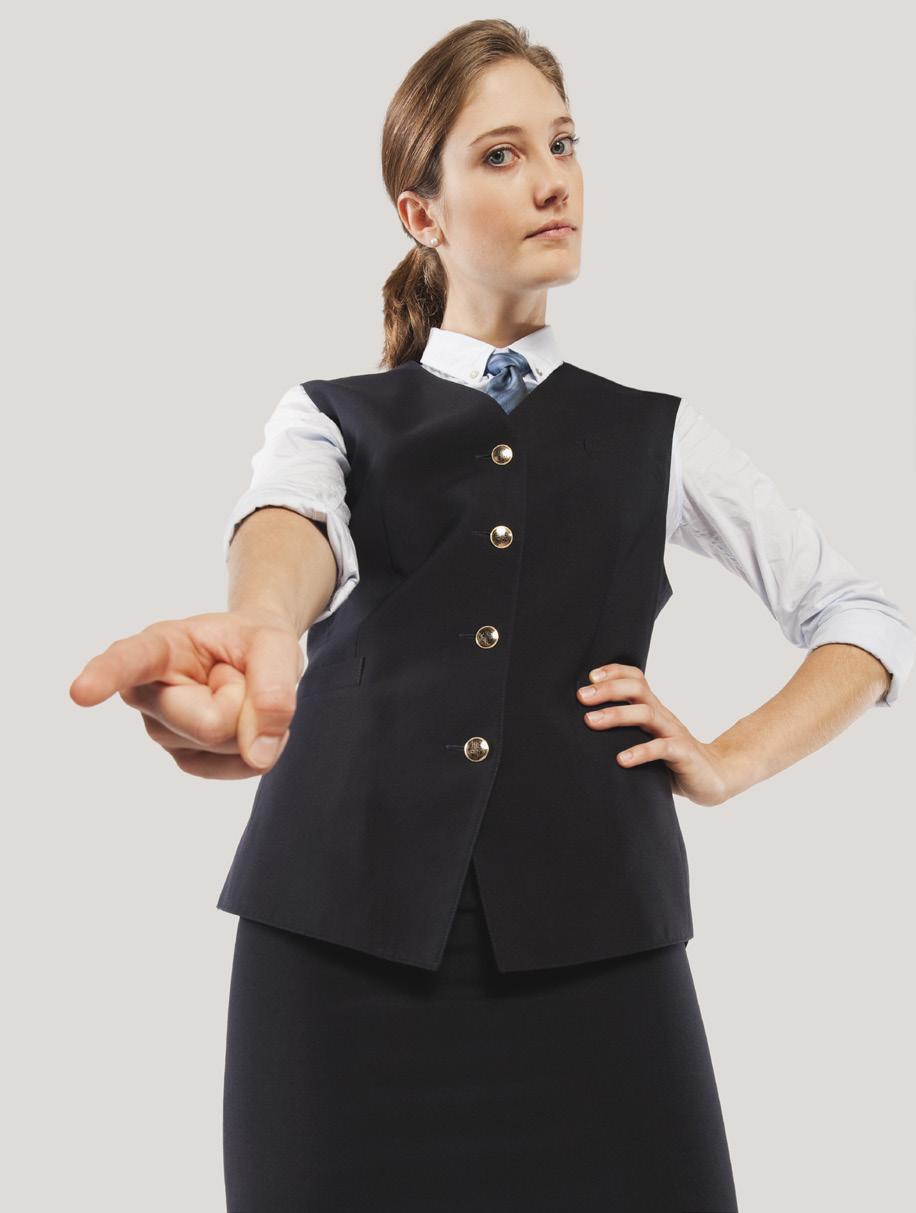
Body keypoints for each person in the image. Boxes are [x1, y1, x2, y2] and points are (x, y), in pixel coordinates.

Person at [70, 19, 915, 1212]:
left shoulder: (656, 433)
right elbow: (289, 523)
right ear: (420, 213)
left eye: (563, 144)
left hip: (598, 954)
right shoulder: (331, 415)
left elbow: (862, 616)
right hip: (336, 957)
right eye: (502, 154)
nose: (553, 180)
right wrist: (261, 621)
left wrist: (730, 759)